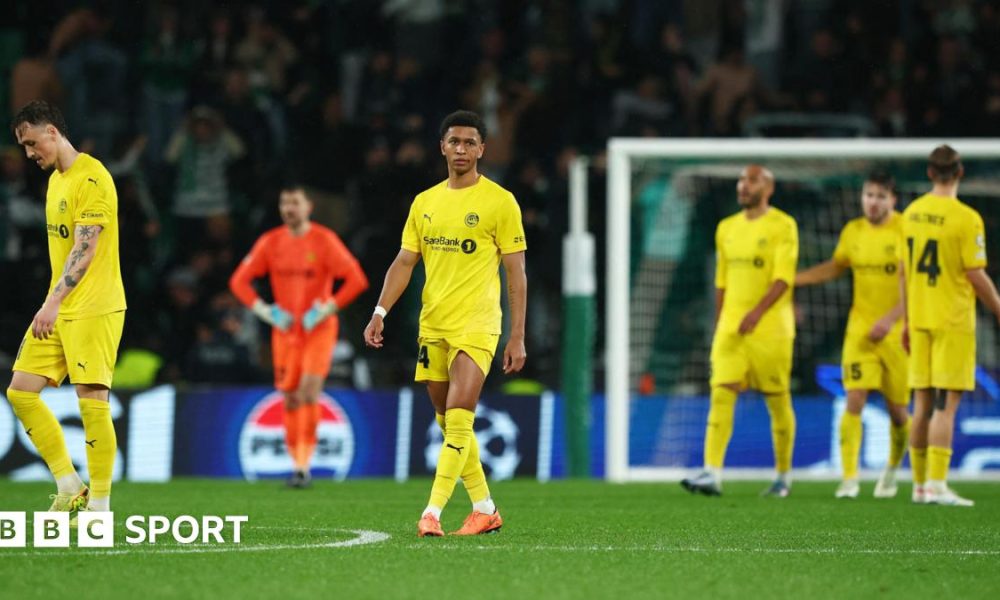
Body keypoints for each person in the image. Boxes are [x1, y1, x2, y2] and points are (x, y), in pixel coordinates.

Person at [363, 110, 527, 537]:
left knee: (459, 419)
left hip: (478, 324)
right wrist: (380, 312)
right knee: (446, 420)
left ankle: (431, 512)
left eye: (470, 142)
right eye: (454, 141)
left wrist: (517, 336)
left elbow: (517, 274)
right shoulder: (425, 202)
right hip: (433, 325)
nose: (461, 149)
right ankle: (485, 508)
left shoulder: (500, 202)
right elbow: (404, 261)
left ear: (482, 149)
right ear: (442, 146)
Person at [6, 100, 126, 520]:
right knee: (20, 391)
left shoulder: (91, 177)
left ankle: (100, 507)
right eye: (23, 147)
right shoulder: (56, 180)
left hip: (94, 306)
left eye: (32, 143)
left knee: (91, 398)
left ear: (53, 132)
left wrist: (51, 303)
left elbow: (86, 247)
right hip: (60, 306)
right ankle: (70, 484)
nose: (29, 154)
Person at [229, 184, 368, 487]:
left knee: (307, 392)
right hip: (285, 332)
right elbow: (239, 281)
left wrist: (327, 308)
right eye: (284, 203)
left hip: (318, 329)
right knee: (291, 398)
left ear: (308, 207)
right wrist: (267, 312)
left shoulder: (324, 240)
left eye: (295, 203)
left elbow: (356, 279)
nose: (289, 208)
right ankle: (297, 466)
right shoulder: (271, 242)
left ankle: (305, 467)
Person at [681, 165, 798, 497]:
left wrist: (757, 313)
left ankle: (783, 477)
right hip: (732, 330)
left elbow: (783, 279)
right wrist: (721, 325)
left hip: (771, 331)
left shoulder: (783, 225)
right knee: (721, 393)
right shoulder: (726, 228)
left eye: (752, 180)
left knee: (777, 401)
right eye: (742, 180)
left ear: (769, 188)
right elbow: (721, 282)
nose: (744, 186)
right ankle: (712, 473)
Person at [796, 171, 910, 499]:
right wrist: (797, 279)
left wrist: (890, 320)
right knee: (854, 400)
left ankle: (890, 470)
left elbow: (915, 284)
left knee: (898, 412)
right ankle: (849, 479)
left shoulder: (905, 231)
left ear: (893, 200)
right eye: (868, 195)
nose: (872, 203)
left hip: (896, 334)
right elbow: (836, 266)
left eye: (879, 196)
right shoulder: (853, 231)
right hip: (860, 331)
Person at [903, 145, 1000, 506]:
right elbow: (975, 274)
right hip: (952, 320)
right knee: (946, 407)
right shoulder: (966, 218)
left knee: (922, 403)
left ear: (930, 174)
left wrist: (907, 319)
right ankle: (938, 486)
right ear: (959, 173)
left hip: (921, 318)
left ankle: (918, 486)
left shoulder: (911, 213)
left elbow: (903, 271)